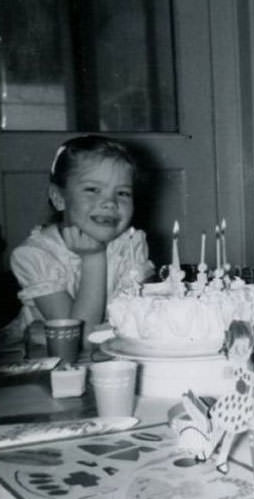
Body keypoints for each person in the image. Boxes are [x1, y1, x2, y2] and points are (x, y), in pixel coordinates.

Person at [10, 135, 154, 345]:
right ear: (59, 198)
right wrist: (94, 259)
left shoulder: (131, 244)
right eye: (92, 190)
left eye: (122, 193)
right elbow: (79, 339)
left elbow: (142, 320)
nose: (110, 203)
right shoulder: (36, 255)